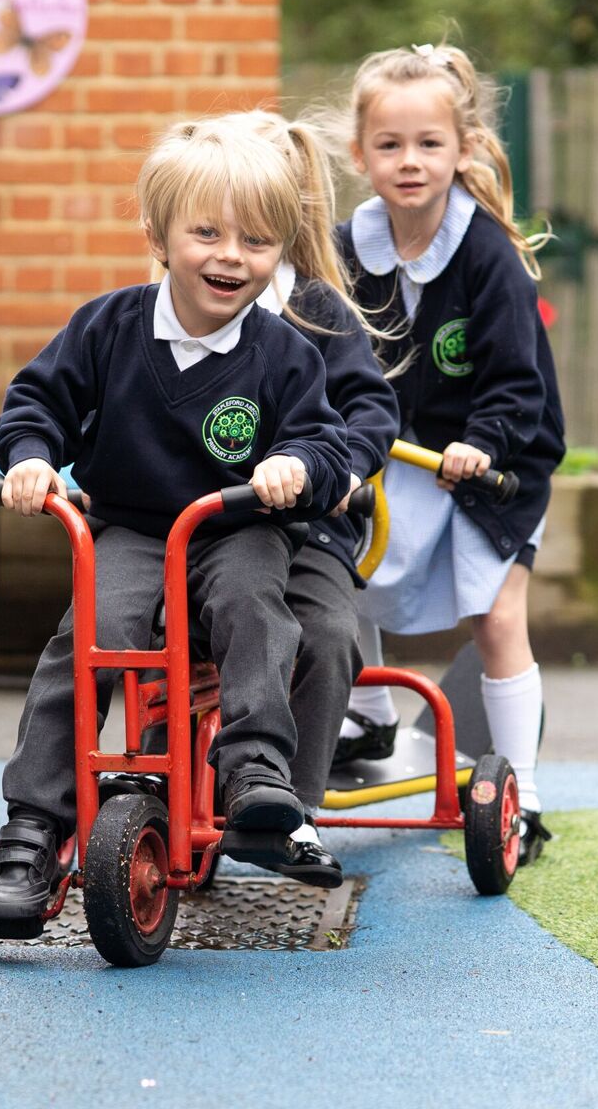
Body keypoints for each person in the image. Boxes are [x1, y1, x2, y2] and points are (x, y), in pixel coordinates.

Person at [0, 121, 354, 938]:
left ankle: (255, 774)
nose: (229, 256)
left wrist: (295, 468)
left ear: (280, 249)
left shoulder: (284, 354)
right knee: (90, 634)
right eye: (207, 233)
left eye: (255, 240)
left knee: (257, 604)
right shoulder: (107, 328)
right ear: (158, 235)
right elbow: (36, 403)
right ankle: (33, 829)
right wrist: (33, 460)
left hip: (238, 526)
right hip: (136, 530)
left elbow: (325, 440)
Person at [318, 41, 568, 864]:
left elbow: (515, 380)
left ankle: (523, 798)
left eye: (429, 144)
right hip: (396, 452)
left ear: (462, 150)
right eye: (390, 146)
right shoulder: (349, 250)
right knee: (334, 558)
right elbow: (323, 351)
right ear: (362, 156)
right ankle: (370, 715)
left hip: (501, 456)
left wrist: (480, 445)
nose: (410, 162)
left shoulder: (487, 256)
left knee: (497, 616)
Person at [204, 111, 400, 888]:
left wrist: (342, 468)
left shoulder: (315, 308)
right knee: (148, 629)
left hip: (309, 528)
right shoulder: (180, 304)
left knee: (324, 633)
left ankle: (293, 811)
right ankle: (157, 787)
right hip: (217, 532)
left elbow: (371, 410)